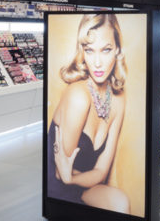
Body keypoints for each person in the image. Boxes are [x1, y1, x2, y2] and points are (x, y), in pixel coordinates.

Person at [48, 14, 130, 214]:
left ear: (117, 50)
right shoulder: (78, 95)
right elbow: (60, 174)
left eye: (106, 50)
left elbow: (101, 172)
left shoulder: (118, 99)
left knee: (121, 201)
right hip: (55, 186)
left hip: (81, 184)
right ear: (82, 51)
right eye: (89, 50)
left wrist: (72, 178)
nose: (98, 63)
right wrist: (68, 177)